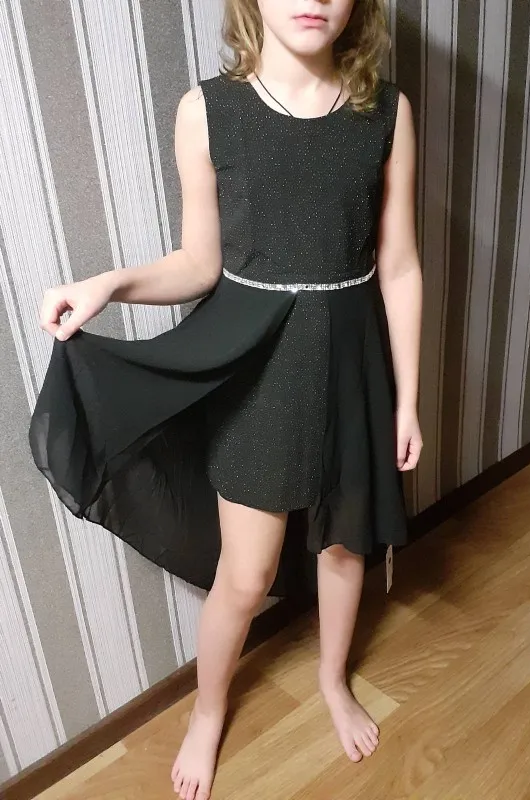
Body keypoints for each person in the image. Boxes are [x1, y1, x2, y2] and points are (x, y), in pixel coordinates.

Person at [30, 0, 423, 798]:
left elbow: (401, 265)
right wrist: (110, 284)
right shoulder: (207, 111)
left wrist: (407, 399)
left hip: (353, 361)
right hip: (259, 365)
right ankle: (208, 711)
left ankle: (332, 679)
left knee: (345, 546)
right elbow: (199, 264)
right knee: (245, 576)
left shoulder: (387, 111)